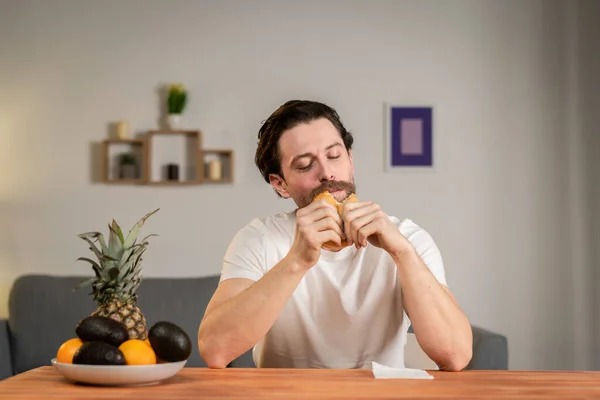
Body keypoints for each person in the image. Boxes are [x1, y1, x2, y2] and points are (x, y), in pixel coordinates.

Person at [198, 100, 473, 371]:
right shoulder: (259, 239)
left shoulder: (407, 238)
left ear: (350, 160)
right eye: (305, 165)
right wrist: (297, 261)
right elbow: (215, 350)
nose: (327, 173)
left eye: (334, 156)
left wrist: (402, 253)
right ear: (281, 184)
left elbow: (455, 355)